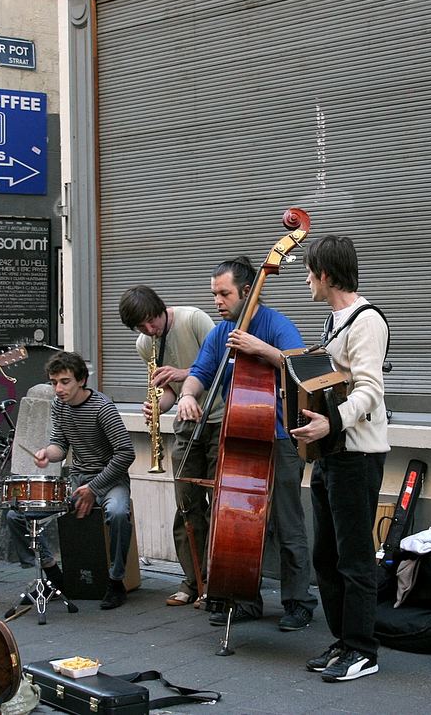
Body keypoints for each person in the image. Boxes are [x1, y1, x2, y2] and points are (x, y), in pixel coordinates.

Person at [175, 256, 318, 632]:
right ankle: (242, 599)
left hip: (281, 437)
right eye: (214, 294)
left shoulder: (276, 325)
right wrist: (189, 396)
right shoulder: (220, 333)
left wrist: (260, 348)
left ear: (248, 291)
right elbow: (199, 373)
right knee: (238, 522)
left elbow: (302, 370)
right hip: (239, 439)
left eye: (224, 294)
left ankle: (298, 602)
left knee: (288, 523)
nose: (218, 301)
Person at [290, 235, 389, 682]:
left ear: (325, 275)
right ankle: (344, 641)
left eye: (310, 272)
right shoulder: (335, 321)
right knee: (326, 557)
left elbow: (370, 390)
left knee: (354, 558)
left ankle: (363, 650)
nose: (307, 280)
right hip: (331, 455)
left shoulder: (366, 321)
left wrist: (331, 422)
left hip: (356, 455)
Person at [119, 285, 222, 608]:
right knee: (187, 505)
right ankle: (193, 581)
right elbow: (171, 392)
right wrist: (158, 406)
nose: (150, 330)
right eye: (141, 327)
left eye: (152, 321)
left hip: (221, 419)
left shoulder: (193, 320)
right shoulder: (143, 344)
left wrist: (183, 372)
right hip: (187, 425)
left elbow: (225, 364)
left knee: (220, 506)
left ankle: (218, 584)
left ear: (161, 308)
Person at [33, 351, 136, 609]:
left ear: (81, 380)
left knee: (118, 513)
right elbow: (60, 444)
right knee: (23, 515)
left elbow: (126, 453)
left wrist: (94, 487)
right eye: (54, 382)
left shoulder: (103, 408)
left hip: (110, 479)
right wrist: (47, 453)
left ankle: (116, 581)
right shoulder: (60, 405)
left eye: (64, 381)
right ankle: (55, 575)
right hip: (78, 478)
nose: (58, 388)